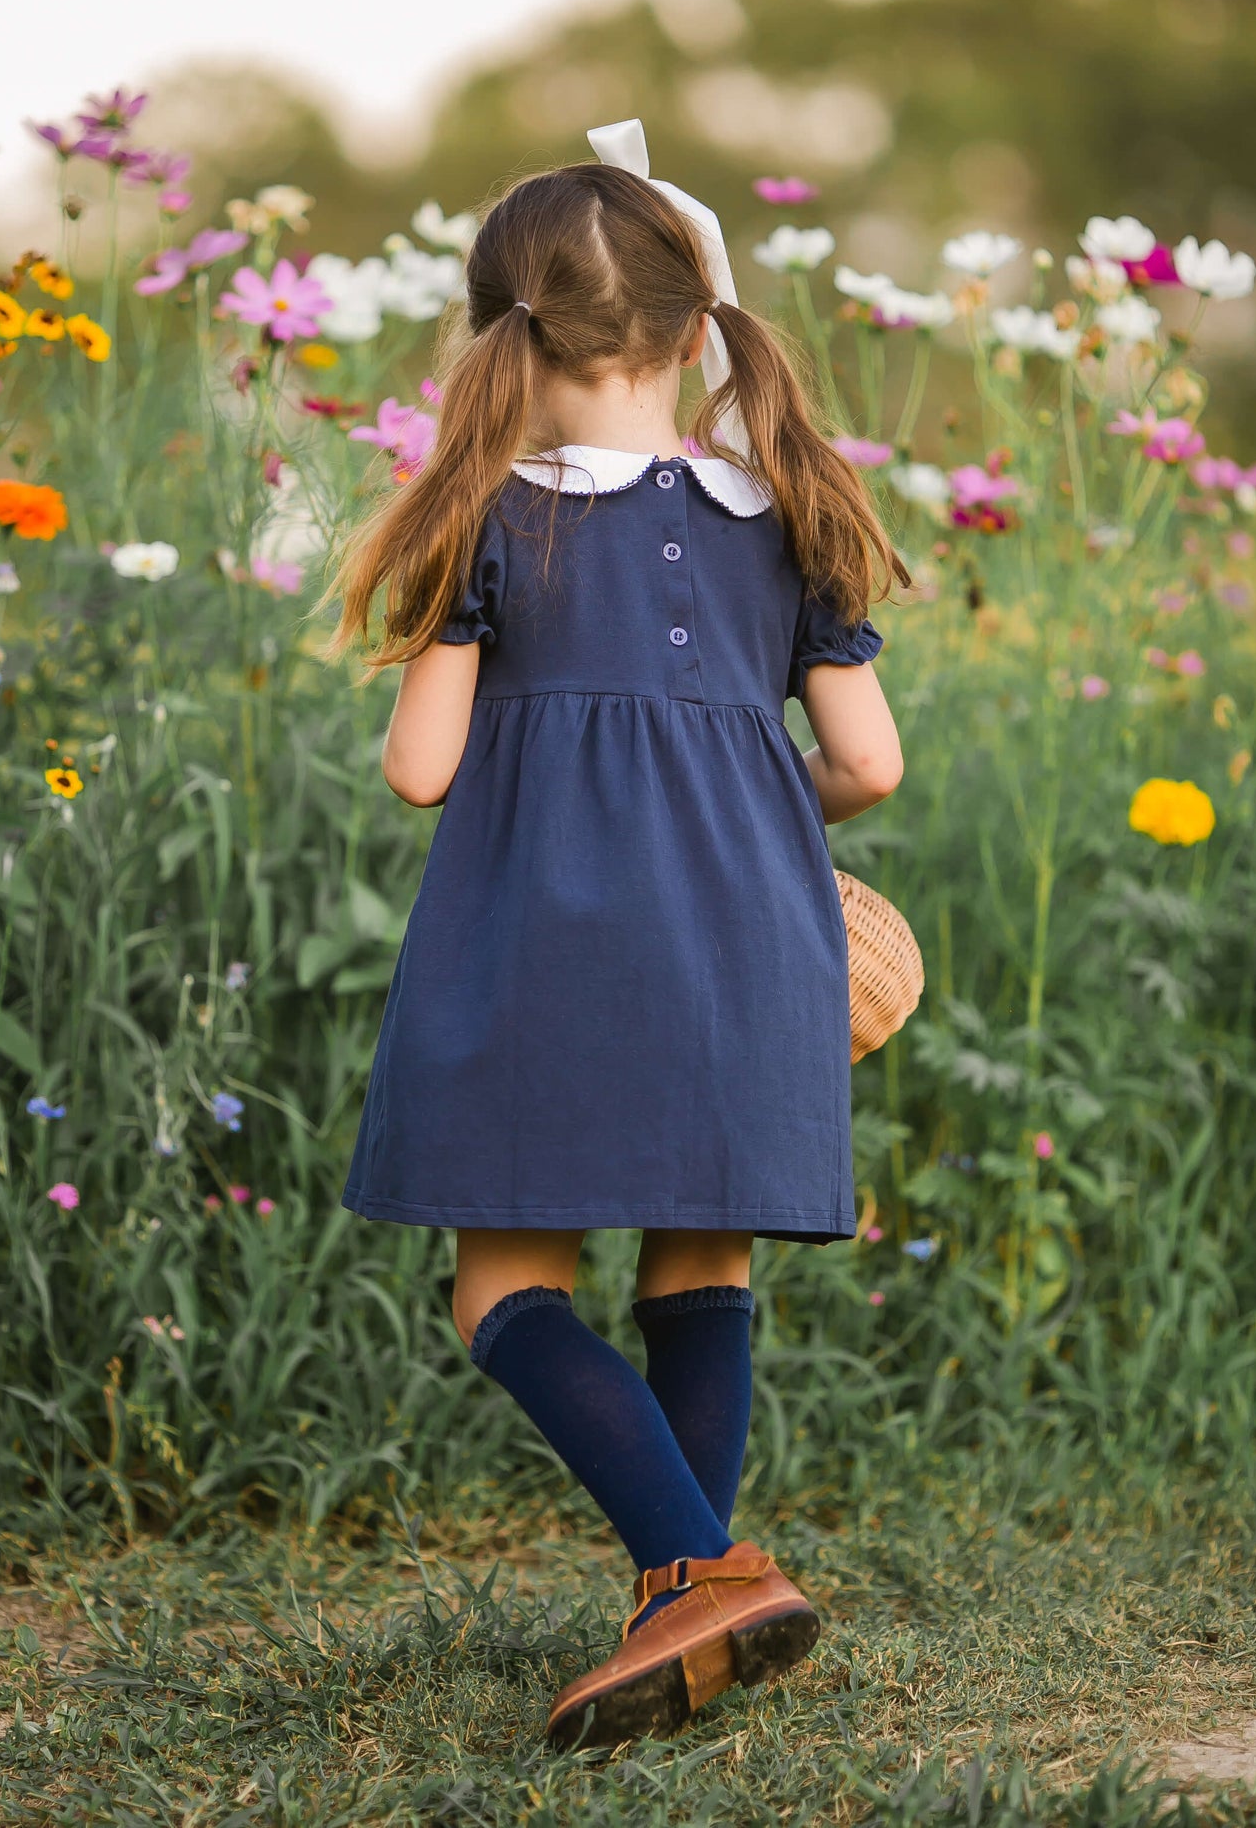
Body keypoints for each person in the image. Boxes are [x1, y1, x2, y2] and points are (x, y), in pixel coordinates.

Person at [331, 122, 906, 1750]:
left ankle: (694, 1577)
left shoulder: (480, 519)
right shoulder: (788, 501)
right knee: (699, 1255)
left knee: (500, 1286)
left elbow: (422, 768)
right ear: (684, 325)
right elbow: (865, 764)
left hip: (541, 946)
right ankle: (694, 1597)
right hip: (751, 944)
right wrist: (753, 831)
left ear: (498, 334)